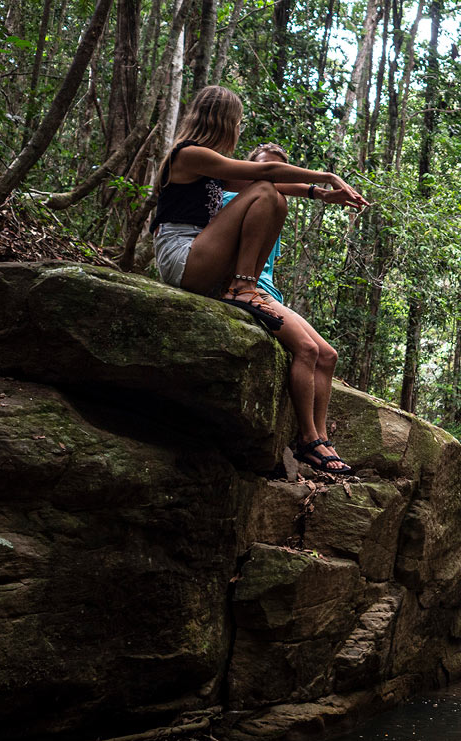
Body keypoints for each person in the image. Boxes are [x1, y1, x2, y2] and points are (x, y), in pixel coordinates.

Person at [150, 85, 369, 474]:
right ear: (224, 122)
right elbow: (265, 176)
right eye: (236, 122)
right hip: (182, 256)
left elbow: (276, 184)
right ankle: (243, 287)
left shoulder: (209, 164)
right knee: (266, 192)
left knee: (273, 196)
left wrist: (318, 193)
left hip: (201, 256)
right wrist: (328, 175)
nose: (237, 129)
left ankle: (315, 440)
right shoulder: (190, 154)